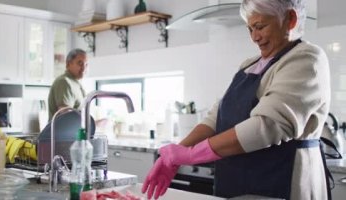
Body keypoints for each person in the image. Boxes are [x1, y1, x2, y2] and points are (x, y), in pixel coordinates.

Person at [142, 0, 332, 199]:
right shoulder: (249, 65)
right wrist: (174, 157)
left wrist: (191, 155)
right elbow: (215, 119)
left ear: (290, 19)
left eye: (260, 27)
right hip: (238, 180)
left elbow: (268, 126)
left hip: (283, 179)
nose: (255, 37)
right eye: (250, 29)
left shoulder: (306, 58)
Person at [48, 48, 88, 120]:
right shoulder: (64, 82)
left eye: (86, 64)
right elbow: (66, 117)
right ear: (68, 64)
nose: (84, 68)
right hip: (61, 131)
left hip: (72, 131)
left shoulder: (76, 83)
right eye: (80, 63)